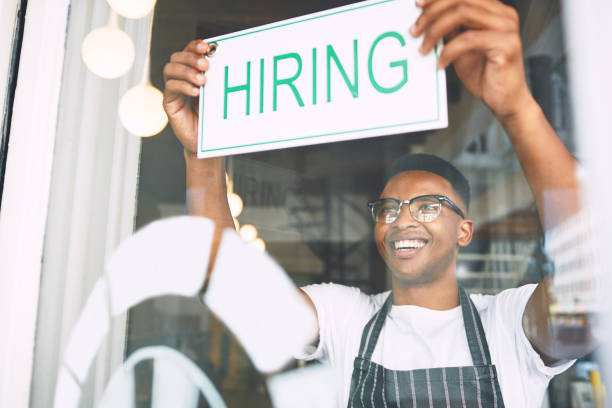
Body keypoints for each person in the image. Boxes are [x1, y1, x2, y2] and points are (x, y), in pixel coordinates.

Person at [162, 0, 596, 406]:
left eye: (427, 206)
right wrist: (203, 157)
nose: (402, 221)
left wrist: (517, 108)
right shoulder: (346, 318)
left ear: (465, 229)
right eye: (388, 209)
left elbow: (590, 281)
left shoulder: (507, 325)